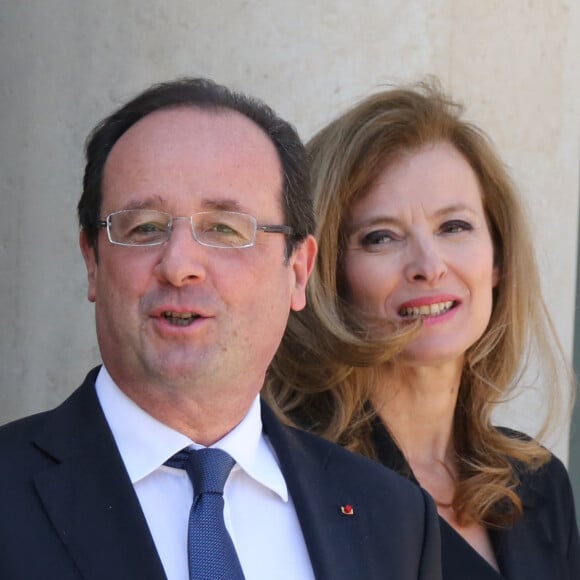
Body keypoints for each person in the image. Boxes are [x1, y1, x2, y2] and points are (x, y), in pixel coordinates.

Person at [0, 78, 441, 580]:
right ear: (93, 263)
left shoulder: (393, 519)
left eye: (225, 230)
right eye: (144, 227)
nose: (179, 264)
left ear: (298, 271)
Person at [266, 81, 580, 579]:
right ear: (324, 273)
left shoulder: (538, 485)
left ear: (497, 258)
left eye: (454, 227)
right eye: (381, 237)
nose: (428, 266)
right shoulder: (285, 481)